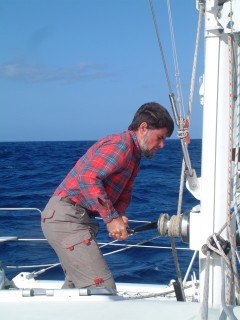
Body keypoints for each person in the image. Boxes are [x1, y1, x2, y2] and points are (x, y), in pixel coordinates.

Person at [41, 102, 174, 290]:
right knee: (102, 290)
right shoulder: (122, 145)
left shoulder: (134, 155)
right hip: (67, 219)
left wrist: (119, 214)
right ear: (143, 128)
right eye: (160, 138)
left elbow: (123, 192)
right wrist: (111, 219)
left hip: (71, 218)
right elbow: (87, 178)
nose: (162, 145)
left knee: (74, 290)